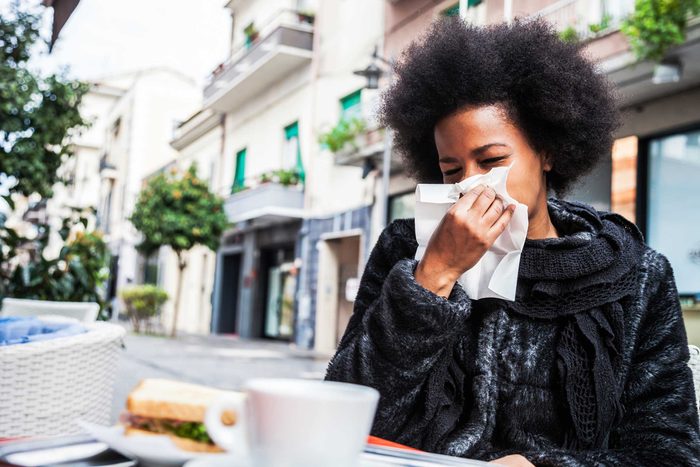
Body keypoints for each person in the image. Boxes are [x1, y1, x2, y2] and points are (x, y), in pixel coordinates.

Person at [325, 16, 700, 467]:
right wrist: (434, 276)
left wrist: (542, 466)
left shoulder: (634, 274)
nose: (470, 185)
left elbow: (670, 453)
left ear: (547, 152)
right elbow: (344, 409)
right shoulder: (408, 249)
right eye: (451, 170)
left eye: (492, 160)